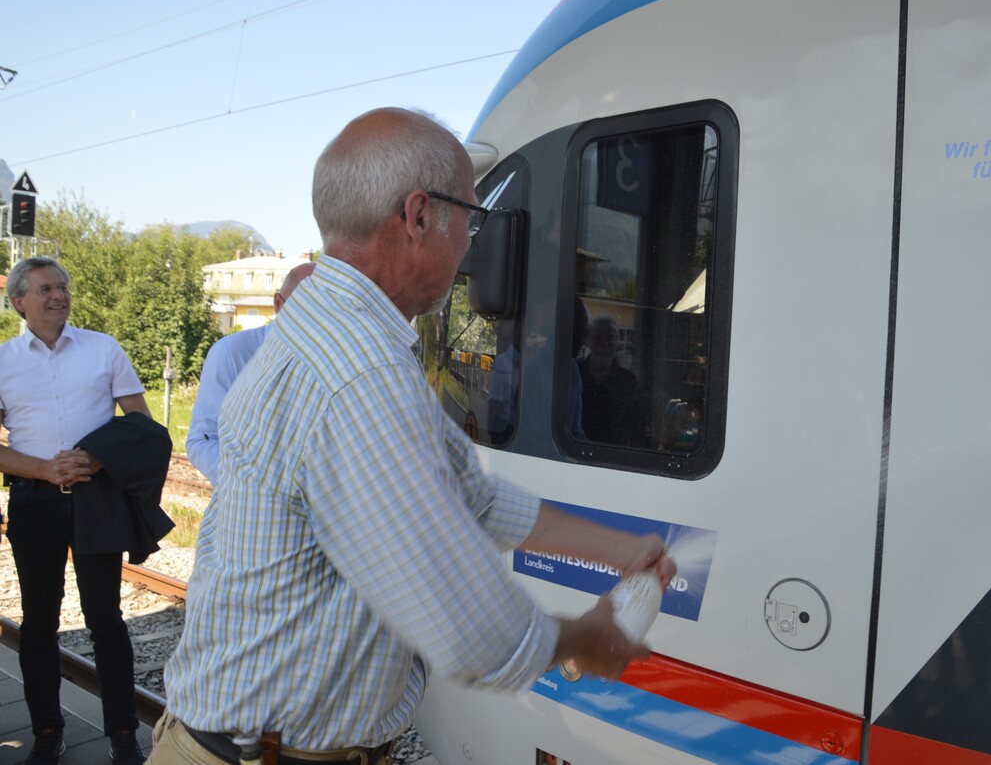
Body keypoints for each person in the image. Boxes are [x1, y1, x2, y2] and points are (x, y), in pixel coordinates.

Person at [154, 108, 675, 765]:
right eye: (471, 219)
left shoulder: (333, 332)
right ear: (419, 215)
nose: (469, 247)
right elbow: (466, 622)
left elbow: (472, 497)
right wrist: (587, 640)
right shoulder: (359, 371)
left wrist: (622, 549)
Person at [0, 256, 156, 765]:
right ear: (19, 301)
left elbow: (141, 423)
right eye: (46, 289)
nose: (59, 295)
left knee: (106, 619)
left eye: (62, 287)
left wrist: (95, 458)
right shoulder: (3, 360)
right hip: (33, 501)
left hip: (96, 497)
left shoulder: (103, 348)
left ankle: (124, 736)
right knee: (38, 623)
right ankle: (48, 732)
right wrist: (45, 469)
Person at [186, 261, 314, 482]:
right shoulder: (232, 352)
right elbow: (203, 440)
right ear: (278, 303)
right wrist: (251, 484)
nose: (315, 319)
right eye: (305, 308)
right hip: (245, 497)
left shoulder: (342, 357)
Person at [579, 316, 646, 446]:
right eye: (598, 337)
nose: (604, 343)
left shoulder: (629, 382)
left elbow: (637, 428)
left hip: (615, 454)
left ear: (617, 341)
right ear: (589, 340)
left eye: (610, 338)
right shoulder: (576, 375)